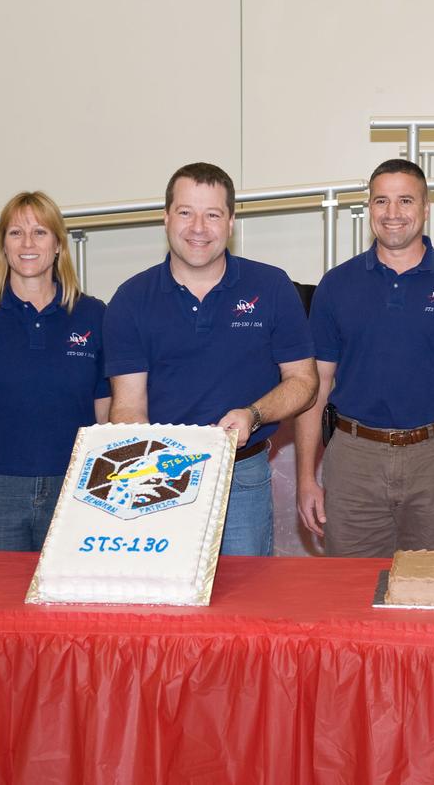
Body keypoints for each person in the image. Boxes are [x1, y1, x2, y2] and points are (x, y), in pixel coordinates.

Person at [103, 162, 317, 556]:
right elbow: (129, 405)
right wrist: (156, 473)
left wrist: (254, 414)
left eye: (212, 214)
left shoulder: (271, 286)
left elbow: (304, 382)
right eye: (186, 212)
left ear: (231, 223)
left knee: (244, 606)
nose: (198, 227)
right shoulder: (130, 300)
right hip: (158, 478)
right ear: (166, 217)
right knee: (164, 605)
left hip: (242, 474)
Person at [295, 158, 434, 557]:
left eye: (405, 201)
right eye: (381, 201)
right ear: (369, 208)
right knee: (351, 595)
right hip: (355, 460)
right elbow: (315, 387)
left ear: (425, 210)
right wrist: (306, 477)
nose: (393, 214)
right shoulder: (336, 286)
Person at [0, 192, 110, 551]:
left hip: (73, 489)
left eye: (40, 233)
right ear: (2, 245)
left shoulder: (93, 315)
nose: (27, 244)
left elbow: (105, 414)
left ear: (59, 244)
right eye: (16, 233)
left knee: (67, 604)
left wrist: (103, 494)